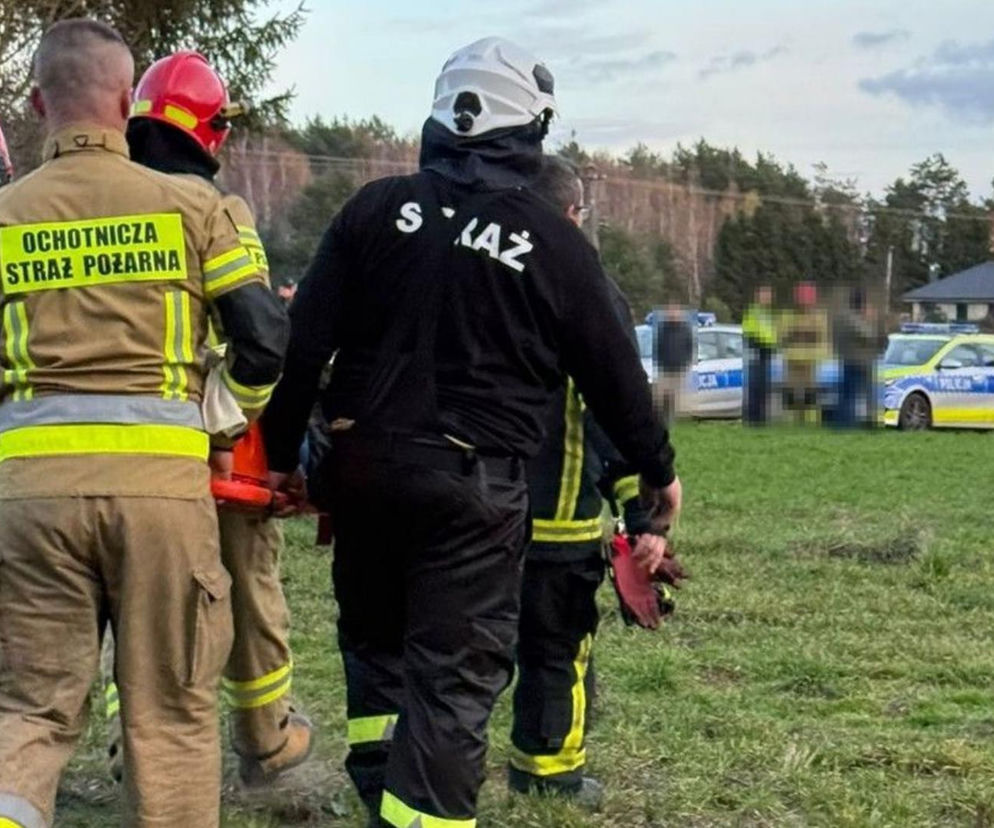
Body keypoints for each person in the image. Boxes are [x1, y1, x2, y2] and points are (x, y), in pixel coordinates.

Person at [261, 36, 681, 828]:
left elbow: (301, 347)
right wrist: (657, 471)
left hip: (362, 471)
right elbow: (614, 376)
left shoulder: (371, 211)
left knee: (379, 645)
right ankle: (415, 813)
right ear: (530, 129)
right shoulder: (552, 240)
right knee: (454, 681)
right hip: (471, 488)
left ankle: (380, 783)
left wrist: (284, 457)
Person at [0, 19, 287, 828]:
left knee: (31, 712)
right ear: (128, 103)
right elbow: (264, 337)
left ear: (35, 102)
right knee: (170, 714)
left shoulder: (6, 215)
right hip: (162, 496)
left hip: (30, 498)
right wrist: (224, 416)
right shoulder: (195, 207)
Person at [99, 51, 313, 788]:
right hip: (216, 453)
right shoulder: (211, 210)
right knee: (247, 592)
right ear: (209, 131)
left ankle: (134, 752)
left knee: (136, 607)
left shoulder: (96, 203)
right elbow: (259, 337)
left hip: (112, 451)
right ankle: (266, 740)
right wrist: (220, 426)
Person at [507, 155, 677, 804]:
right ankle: (549, 777)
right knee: (557, 651)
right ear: (575, 213)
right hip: (557, 518)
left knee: (461, 652)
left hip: (470, 512)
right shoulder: (591, 289)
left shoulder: (478, 274)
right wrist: (642, 519)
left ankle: (428, 774)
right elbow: (617, 409)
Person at [832, 286, 885, 428]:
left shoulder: (841, 317)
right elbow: (869, 335)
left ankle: (848, 421)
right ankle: (851, 423)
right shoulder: (852, 318)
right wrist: (871, 320)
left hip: (849, 359)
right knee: (856, 394)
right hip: (860, 361)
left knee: (848, 393)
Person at [779, 281, 829, 424]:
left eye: (807, 301)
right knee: (791, 394)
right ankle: (792, 421)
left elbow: (824, 341)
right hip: (792, 363)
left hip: (809, 363)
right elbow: (782, 338)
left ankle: (810, 421)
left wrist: (819, 356)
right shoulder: (788, 316)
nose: (805, 305)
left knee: (810, 394)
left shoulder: (819, 317)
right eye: (802, 301)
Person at [742, 284, 777, 424]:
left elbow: (773, 334)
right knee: (755, 389)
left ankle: (762, 419)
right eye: (764, 295)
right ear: (758, 296)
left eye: (768, 295)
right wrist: (757, 345)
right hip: (757, 354)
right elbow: (748, 332)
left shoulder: (770, 314)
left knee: (765, 389)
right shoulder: (753, 312)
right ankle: (753, 419)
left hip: (768, 355)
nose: (766, 298)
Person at [654, 304, 694, 426]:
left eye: (675, 312)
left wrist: (686, 362)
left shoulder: (685, 329)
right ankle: (661, 420)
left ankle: (670, 421)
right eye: (670, 312)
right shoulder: (663, 329)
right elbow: (658, 347)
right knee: (661, 397)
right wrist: (660, 363)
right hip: (665, 369)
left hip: (679, 369)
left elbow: (690, 347)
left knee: (674, 398)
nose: (672, 314)